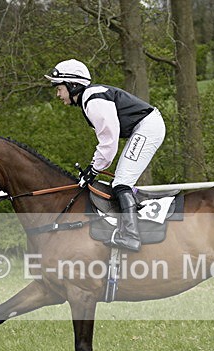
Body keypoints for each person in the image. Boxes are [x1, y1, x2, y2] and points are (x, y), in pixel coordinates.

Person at [45, 59, 166, 252]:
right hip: (144, 127)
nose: (57, 94)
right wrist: (94, 167)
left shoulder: (93, 101)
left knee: (121, 183)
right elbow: (107, 144)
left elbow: (109, 143)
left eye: (59, 88)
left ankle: (132, 236)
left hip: (148, 127)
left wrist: (93, 170)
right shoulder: (90, 99)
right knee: (120, 181)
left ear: (73, 85)